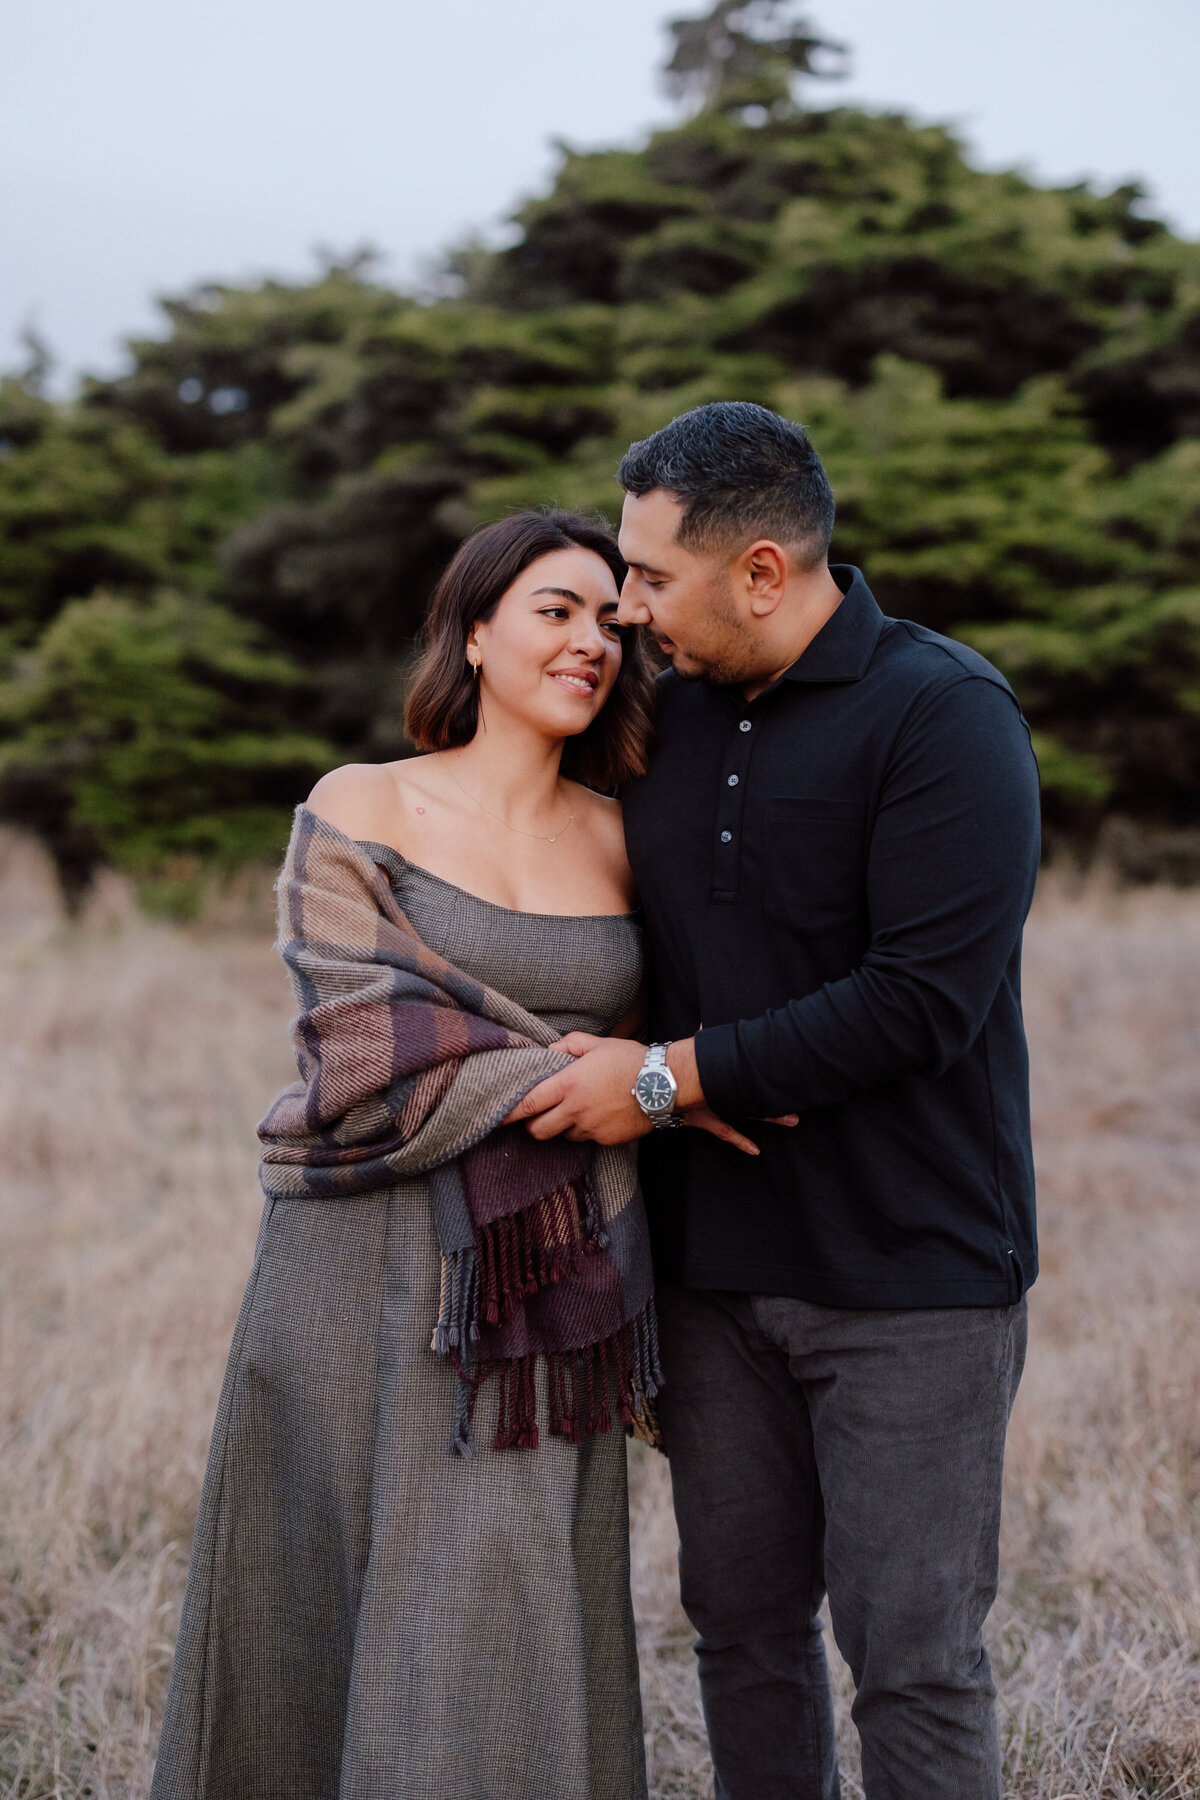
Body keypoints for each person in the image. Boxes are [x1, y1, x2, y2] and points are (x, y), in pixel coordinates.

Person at [150, 508, 756, 1800]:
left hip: (542, 1293)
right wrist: (623, 1082)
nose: (591, 639)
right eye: (555, 609)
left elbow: (682, 1028)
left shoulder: (628, 836)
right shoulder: (362, 804)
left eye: (610, 618)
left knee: (500, 1606)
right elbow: (363, 1054)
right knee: (306, 1602)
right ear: (476, 634)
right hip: (344, 1271)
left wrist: (647, 1078)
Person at [507, 405, 1043, 1799]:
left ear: (761, 570)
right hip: (713, 1276)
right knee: (741, 1633)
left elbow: (921, 1001)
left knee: (913, 1656)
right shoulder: (656, 715)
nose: (624, 609)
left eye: (650, 578)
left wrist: (672, 1080)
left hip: (911, 1278)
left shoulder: (944, 713)